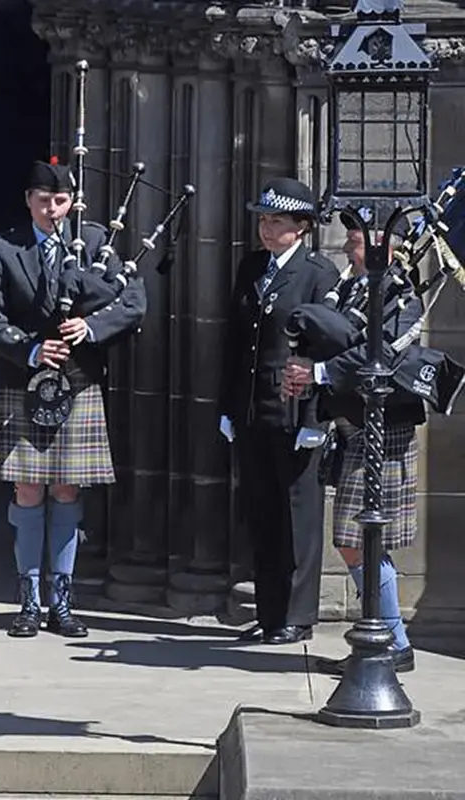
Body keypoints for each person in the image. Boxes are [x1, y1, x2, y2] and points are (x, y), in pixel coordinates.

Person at [0, 158, 146, 639]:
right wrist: (32, 350)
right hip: (22, 380)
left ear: (72, 202)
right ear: (28, 200)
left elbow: (134, 303)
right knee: (28, 490)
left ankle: (63, 602)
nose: (52, 209)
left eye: (61, 200)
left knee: (68, 491)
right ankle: (29, 602)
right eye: (43, 200)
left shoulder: (96, 243)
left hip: (78, 379)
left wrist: (90, 327)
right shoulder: (4, 248)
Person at [282, 216, 423, 673]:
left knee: (357, 540)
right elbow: (329, 337)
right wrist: (301, 368)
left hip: (383, 429)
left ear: (386, 247)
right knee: (359, 540)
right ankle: (388, 642)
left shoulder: (403, 296)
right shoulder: (350, 290)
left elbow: (380, 354)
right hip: (352, 426)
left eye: (356, 241)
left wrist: (319, 373)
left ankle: (391, 643)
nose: (346, 248)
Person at [218, 177, 340, 645]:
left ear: (302, 227)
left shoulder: (318, 273)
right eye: (264, 220)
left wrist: (314, 420)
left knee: (298, 516)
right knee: (262, 513)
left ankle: (298, 613)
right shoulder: (253, 266)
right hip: (254, 410)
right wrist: (229, 407)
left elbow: (322, 349)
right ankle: (270, 613)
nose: (267, 229)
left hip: (294, 409)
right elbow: (235, 343)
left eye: (278, 221)